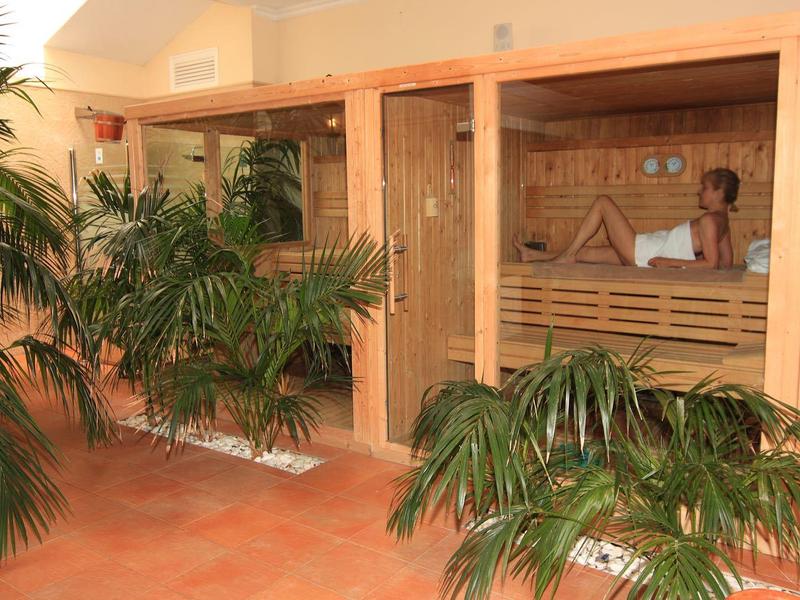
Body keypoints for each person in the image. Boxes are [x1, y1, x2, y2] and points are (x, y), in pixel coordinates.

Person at [513, 168, 739, 269]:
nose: (700, 191)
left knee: (603, 202)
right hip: (647, 250)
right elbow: (725, 265)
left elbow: (710, 265)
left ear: (718, 193)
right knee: (586, 252)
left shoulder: (710, 221)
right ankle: (532, 254)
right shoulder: (723, 223)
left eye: (705, 187)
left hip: (645, 253)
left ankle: (566, 256)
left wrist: (668, 262)